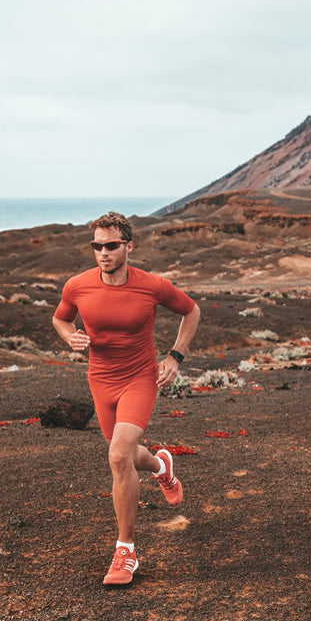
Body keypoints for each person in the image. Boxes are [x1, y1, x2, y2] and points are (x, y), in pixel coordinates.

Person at [52, 211, 200, 585]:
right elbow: (61, 319)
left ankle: (126, 552)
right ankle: (162, 466)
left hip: (139, 378)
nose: (103, 252)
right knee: (127, 455)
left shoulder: (152, 286)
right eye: (97, 246)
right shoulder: (77, 286)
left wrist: (175, 356)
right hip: (101, 380)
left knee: (118, 456)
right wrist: (70, 336)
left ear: (128, 247)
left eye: (111, 245)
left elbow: (191, 310)